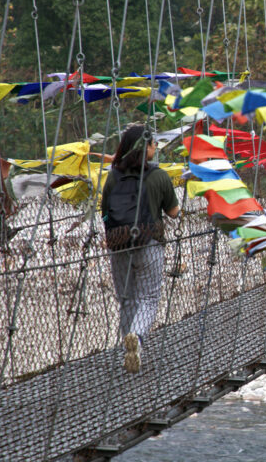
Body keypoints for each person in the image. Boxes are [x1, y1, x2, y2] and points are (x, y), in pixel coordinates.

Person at [101, 125, 179, 373]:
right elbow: (173, 213)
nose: (155, 147)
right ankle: (137, 337)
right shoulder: (160, 176)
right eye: (153, 143)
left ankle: (129, 348)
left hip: (119, 244)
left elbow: (104, 214)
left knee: (126, 298)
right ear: (144, 147)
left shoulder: (113, 176)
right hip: (150, 244)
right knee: (148, 297)